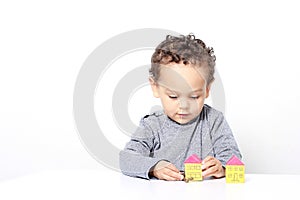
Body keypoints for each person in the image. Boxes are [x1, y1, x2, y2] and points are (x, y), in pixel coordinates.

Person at [119, 34, 242, 181]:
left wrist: (221, 167)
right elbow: (127, 159)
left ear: (207, 89)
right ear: (156, 87)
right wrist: (154, 167)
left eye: (194, 97)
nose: (184, 106)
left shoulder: (214, 120)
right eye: (173, 96)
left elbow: (232, 156)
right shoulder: (152, 125)